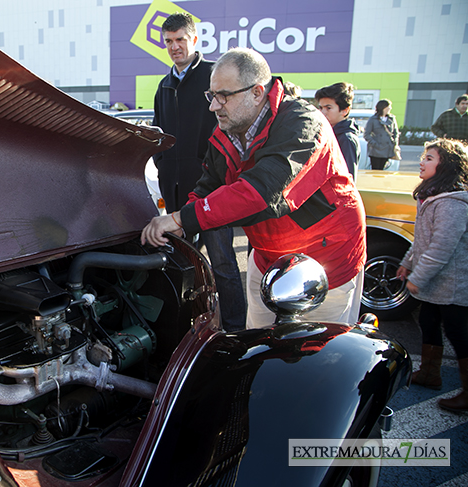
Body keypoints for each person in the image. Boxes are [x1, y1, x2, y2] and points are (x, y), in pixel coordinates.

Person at [141, 47, 366, 328]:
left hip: (325, 259)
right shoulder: (225, 130)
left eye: (223, 96)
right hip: (267, 256)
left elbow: (261, 192)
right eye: (211, 96)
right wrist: (181, 222)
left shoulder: (303, 124)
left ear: (257, 92)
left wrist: (179, 218)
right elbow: (207, 187)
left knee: (318, 356)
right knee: (259, 341)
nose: (213, 106)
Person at [152, 13, 246, 330]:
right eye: (169, 41)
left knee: (221, 261)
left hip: (211, 191)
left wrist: (212, 172)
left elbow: (232, 131)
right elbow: (161, 136)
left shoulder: (213, 77)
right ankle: (187, 324)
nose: (175, 47)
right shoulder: (164, 86)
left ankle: (234, 331)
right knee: (179, 261)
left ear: (194, 40)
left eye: (180, 39)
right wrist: (163, 166)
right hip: (174, 189)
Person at [396, 138, 468, 413]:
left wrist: (418, 278)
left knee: (458, 332)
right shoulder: (433, 196)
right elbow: (422, 240)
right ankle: (429, 374)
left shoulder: (453, 202)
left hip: (451, 283)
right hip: (436, 283)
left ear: (446, 165)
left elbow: (441, 248)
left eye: (429, 158)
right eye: (423, 157)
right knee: (428, 321)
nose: (421, 161)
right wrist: (407, 263)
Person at [315, 82, 360, 178]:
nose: (322, 112)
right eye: (320, 108)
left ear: (345, 110)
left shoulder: (346, 139)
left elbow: (347, 179)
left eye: (328, 108)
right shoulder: (327, 133)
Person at [364, 99, 400, 170]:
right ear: (383, 107)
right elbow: (367, 134)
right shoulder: (373, 119)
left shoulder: (391, 119)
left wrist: (394, 143)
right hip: (376, 150)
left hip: (387, 149)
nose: (390, 108)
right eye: (388, 107)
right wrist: (375, 144)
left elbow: (395, 132)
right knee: (376, 169)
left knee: (383, 169)